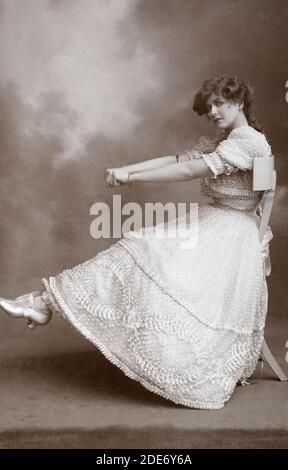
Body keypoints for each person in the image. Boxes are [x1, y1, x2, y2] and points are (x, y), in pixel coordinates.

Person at [0, 75, 273, 410]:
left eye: (220, 103)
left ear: (240, 102)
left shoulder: (247, 140)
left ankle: (43, 303)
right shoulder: (226, 139)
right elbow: (177, 161)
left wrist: (133, 177)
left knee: (144, 251)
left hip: (232, 232)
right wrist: (126, 168)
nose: (213, 111)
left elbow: (191, 172)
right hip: (215, 220)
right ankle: (44, 302)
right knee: (139, 249)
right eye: (209, 106)